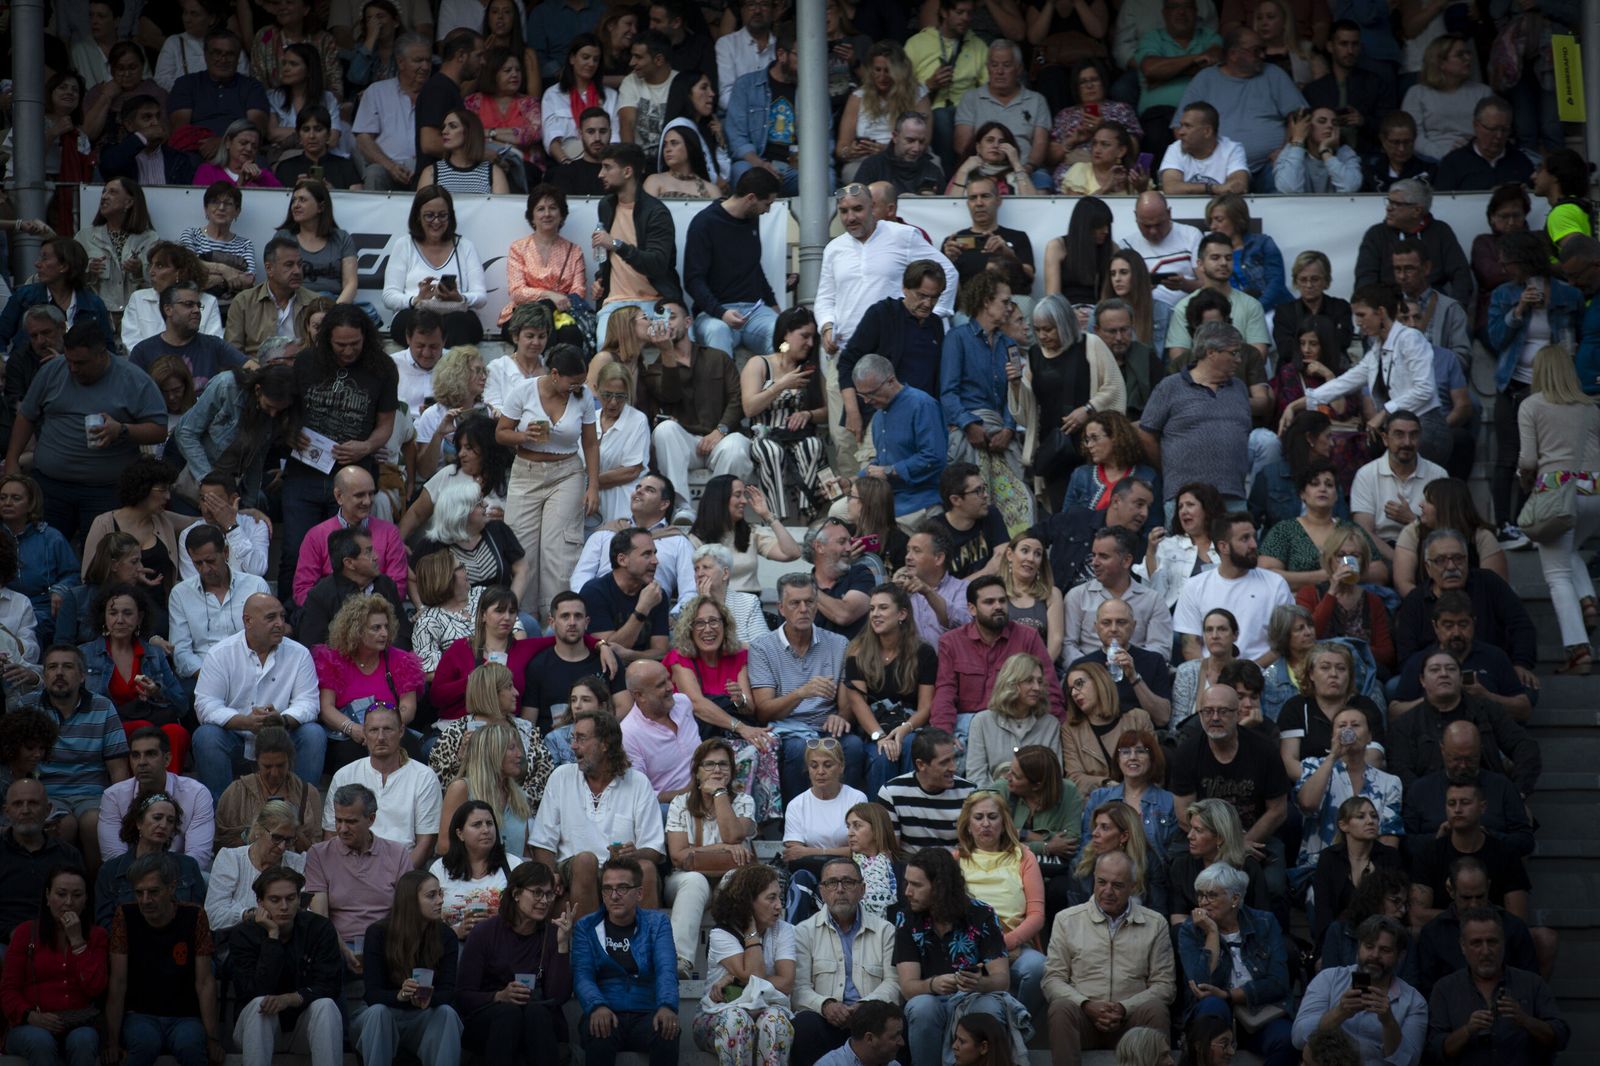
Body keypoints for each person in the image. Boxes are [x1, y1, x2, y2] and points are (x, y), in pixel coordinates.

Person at [5, 321, 166, 545]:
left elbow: (159, 430)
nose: (73, 368)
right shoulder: (53, 370)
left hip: (106, 489)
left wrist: (122, 430)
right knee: (41, 548)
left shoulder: (134, 379)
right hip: (51, 485)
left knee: (103, 556)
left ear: (102, 354)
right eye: (69, 360)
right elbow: (27, 415)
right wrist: (12, 459)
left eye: (81, 362)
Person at [1042, 849, 1174, 1066]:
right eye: (1102, 882)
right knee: (1060, 1008)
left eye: (1118, 885)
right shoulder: (1067, 920)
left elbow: (1165, 985)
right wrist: (1086, 1005)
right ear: (1094, 879)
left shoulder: (1155, 923)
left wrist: (1124, 1008)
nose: (1108, 891)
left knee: (1156, 1009)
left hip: (1131, 1022)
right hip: (1083, 1019)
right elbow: (1052, 979)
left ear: (1133, 886)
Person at [894, 847, 1022, 1066]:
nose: (907, 891)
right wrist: (933, 984)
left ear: (939, 888)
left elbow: (1002, 980)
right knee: (922, 1007)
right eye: (907, 883)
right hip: (931, 998)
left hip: (974, 996)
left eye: (916, 885)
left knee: (988, 1008)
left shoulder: (981, 914)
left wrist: (980, 983)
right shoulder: (907, 919)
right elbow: (908, 987)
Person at [528, 708, 664, 913]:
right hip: (574, 867)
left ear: (605, 744)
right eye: (573, 738)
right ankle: (585, 944)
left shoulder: (638, 782)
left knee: (646, 867)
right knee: (585, 861)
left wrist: (634, 853)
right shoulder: (561, 777)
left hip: (621, 868)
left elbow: (653, 849)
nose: (573, 746)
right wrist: (549, 875)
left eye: (581, 739)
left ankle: (644, 944)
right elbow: (542, 842)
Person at [1514, 347, 1600, 670]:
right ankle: (1587, 599)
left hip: (1557, 491)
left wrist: (1525, 480)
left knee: (1557, 573)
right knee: (1570, 547)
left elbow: (1528, 461)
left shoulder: (1531, 405)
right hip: (1594, 491)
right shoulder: (1591, 407)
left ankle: (1578, 650)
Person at [102, 853, 223, 1066]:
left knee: (192, 1047)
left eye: (153, 892)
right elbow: (118, 982)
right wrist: (112, 1041)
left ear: (172, 888)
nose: (145, 900)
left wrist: (213, 1038)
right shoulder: (126, 916)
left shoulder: (194, 916)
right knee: (143, 1045)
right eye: (139, 893)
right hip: (140, 1015)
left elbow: (205, 982)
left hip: (185, 1016)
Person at [1172, 685, 1290, 895]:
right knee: (1176, 873)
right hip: (1204, 837)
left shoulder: (1264, 750)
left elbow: (1278, 810)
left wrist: (1241, 844)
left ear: (1237, 714)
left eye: (1223, 711)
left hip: (1255, 835)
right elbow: (1183, 814)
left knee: (1273, 886)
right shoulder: (1186, 752)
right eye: (1208, 711)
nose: (1215, 717)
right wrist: (1224, 845)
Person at [789, 856, 902, 1066]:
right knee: (804, 1024)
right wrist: (826, 1005)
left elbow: (894, 983)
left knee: (894, 1027)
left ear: (862, 889)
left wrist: (865, 1007)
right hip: (826, 1020)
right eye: (832, 883)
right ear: (822, 891)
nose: (840, 889)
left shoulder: (885, 930)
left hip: (872, 1024)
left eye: (848, 882)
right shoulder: (803, 932)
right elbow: (798, 989)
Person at [1177, 861, 1292, 1063]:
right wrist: (1211, 933)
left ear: (1235, 899)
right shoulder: (1190, 930)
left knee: (1286, 1038)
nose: (1203, 902)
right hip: (1216, 1015)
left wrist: (1230, 995)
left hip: (1261, 1012)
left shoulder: (1265, 923)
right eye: (1200, 895)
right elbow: (1201, 983)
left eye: (1212, 895)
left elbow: (1278, 982)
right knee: (1212, 1004)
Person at [347, 869, 463, 1066]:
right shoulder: (378, 933)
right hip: (382, 1017)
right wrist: (400, 995)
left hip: (422, 1017)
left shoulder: (446, 936)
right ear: (410, 900)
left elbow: (448, 991)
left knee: (447, 1013)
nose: (440, 901)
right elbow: (372, 994)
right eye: (431, 895)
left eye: (440, 893)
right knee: (378, 1012)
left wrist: (427, 997)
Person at [572, 855, 680, 1066]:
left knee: (668, 1030)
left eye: (622, 888)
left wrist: (667, 1006)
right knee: (599, 1030)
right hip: (606, 1010)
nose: (614, 896)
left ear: (639, 893)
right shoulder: (586, 926)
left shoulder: (657, 923)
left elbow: (666, 969)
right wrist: (596, 1006)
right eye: (607, 889)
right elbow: (582, 974)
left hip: (647, 1012)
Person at [1392, 532, 1539, 687]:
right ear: (1428, 567)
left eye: (1458, 558)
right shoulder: (1415, 601)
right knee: (1395, 687)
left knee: (1526, 689)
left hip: (1490, 669)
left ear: (1467, 560)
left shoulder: (1489, 584)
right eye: (1441, 560)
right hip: (1435, 677)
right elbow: (1407, 654)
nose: (1451, 566)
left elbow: (1521, 624)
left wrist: (1521, 664)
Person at [1426, 908, 1569, 1063]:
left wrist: (1525, 1020)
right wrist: (1467, 1031)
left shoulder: (1532, 983)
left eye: (1492, 941)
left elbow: (1560, 1038)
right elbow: (1434, 1050)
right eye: (1476, 943)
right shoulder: (1445, 989)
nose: (1486, 951)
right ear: (1463, 946)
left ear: (1503, 943)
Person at [663, 738, 755, 973]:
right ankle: (679, 961)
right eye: (709, 764)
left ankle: (736, 966)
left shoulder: (744, 801)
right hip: (684, 879)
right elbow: (678, 855)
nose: (717, 770)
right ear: (696, 773)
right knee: (695, 881)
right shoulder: (680, 803)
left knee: (734, 879)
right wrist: (721, 849)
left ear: (732, 771)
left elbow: (733, 835)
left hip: (727, 876)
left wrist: (720, 794)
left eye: (723, 765)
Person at [0, 865, 106, 1066]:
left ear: (86, 900)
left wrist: (77, 941)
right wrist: (30, 1016)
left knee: (84, 1040)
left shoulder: (97, 935)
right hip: (31, 1023)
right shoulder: (25, 933)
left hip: (78, 1021)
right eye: (61, 894)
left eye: (77, 895)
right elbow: (8, 989)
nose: (68, 903)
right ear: (48, 897)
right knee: (40, 1041)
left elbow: (96, 987)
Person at [953, 792, 1048, 1015]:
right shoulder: (956, 859)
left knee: (1039, 968)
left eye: (992, 817)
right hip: (970, 947)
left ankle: (1015, 1022)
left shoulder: (1023, 856)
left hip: (1014, 943)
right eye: (978, 817)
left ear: (1004, 823)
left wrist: (1004, 943)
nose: (986, 823)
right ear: (967, 824)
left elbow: (1036, 915)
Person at [691, 862, 797, 1062]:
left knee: (776, 1021)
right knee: (737, 1020)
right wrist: (751, 930)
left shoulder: (784, 930)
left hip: (766, 1009)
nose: (779, 906)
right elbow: (755, 975)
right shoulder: (720, 934)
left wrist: (734, 978)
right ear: (748, 903)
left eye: (779, 897)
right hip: (718, 1014)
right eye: (771, 898)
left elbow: (786, 983)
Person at [1291, 914, 1426, 1064]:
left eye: (1385, 950)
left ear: (1400, 956)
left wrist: (1389, 1022)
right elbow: (1299, 1038)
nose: (1375, 955)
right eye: (1369, 946)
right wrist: (1340, 1012)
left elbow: (1410, 1062)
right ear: (1358, 947)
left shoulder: (1414, 1002)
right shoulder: (1328, 979)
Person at [304, 782, 413, 966]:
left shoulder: (397, 853)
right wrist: (343, 950)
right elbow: (321, 916)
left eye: (351, 821)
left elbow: (406, 912)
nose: (342, 829)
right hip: (337, 943)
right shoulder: (319, 854)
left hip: (385, 943)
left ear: (371, 819)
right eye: (339, 820)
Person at [1172, 511, 1293, 662]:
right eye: (1245, 539)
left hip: (1264, 676)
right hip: (1211, 678)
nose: (1254, 545)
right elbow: (1191, 646)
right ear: (1223, 547)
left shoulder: (1276, 583)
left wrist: (1249, 673)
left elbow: (1283, 642)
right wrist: (1213, 677)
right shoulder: (1194, 586)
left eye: (1254, 537)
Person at [381, 186, 488, 348]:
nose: (436, 222)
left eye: (442, 216)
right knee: (419, 322)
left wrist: (459, 298)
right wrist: (415, 300)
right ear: (418, 216)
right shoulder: (404, 245)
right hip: (416, 312)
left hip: (453, 313)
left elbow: (481, 296)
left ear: (450, 216)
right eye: (429, 216)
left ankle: (450, 371)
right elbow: (389, 296)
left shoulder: (465, 247)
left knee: (459, 322)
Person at [96, 727, 213, 869]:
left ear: (167, 759)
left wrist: (163, 879)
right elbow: (113, 857)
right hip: (129, 879)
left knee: (205, 879)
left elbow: (198, 857)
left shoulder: (196, 793)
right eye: (135, 755)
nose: (142, 762)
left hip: (180, 877)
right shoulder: (113, 796)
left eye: (150, 754)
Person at [1353, 179, 1473, 305]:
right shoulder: (1376, 234)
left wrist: (1456, 311)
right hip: (1389, 307)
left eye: (1396, 204)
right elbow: (1365, 279)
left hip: (1432, 306)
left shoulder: (1440, 231)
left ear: (1416, 210)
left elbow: (1461, 275)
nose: (1388, 208)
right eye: (1389, 202)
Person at [203, 800, 307, 933]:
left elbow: (306, 913)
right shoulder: (231, 859)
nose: (282, 847)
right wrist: (249, 915)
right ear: (258, 830)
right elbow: (213, 916)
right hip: (237, 945)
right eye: (276, 837)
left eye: (288, 840)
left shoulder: (297, 863)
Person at [212, 725, 322, 851]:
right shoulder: (236, 792)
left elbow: (316, 852)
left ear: (290, 761)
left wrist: (292, 828)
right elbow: (220, 845)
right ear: (257, 760)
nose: (274, 773)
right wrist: (252, 834)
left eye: (280, 765)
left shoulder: (307, 794)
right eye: (267, 766)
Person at [499, 187, 588, 335]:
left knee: (571, 334)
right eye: (540, 209)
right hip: (523, 315)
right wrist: (550, 295)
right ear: (532, 217)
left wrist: (557, 302)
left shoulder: (574, 251)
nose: (547, 214)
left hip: (562, 314)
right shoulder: (518, 248)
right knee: (538, 328)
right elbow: (517, 292)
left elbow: (579, 292)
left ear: (562, 215)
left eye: (552, 208)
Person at [350, 33, 430, 190]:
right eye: (418, 61)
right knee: (374, 172)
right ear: (400, 62)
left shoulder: (438, 93)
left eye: (428, 60)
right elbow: (364, 139)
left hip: (425, 168)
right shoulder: (377, 91)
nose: (425, 66)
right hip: (387, 166)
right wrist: (390, 166)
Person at [876, 730, 975, 852]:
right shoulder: (891, 793)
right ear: (921, 764)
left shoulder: (969, 793)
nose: (953, 768)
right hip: (909, 868)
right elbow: (890, 853)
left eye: (953, 759)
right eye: (944, 762)